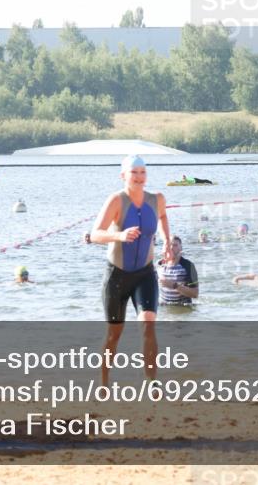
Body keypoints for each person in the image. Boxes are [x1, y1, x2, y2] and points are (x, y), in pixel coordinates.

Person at [90, 155, 172, 385]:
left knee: (148, 323)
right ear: (123, 175)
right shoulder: (116, 200)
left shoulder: (157, 199)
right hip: (117, 276)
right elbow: (95, 234)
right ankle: (104, 381)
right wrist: (119, 235)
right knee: (114, 334)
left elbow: (163, 216)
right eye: (134, 172)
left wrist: (166, 239)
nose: (139, 177)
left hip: (145, 274)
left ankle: (151, 381)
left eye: (142, 172)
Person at [159, 236, 199, 306]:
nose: (171, 248)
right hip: (165, 310)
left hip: (183, 309)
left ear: (180, 248)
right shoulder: (159, 265)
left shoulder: (189, 266)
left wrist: (175, 285)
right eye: (169, 245)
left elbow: (195, 294)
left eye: (175, 245)